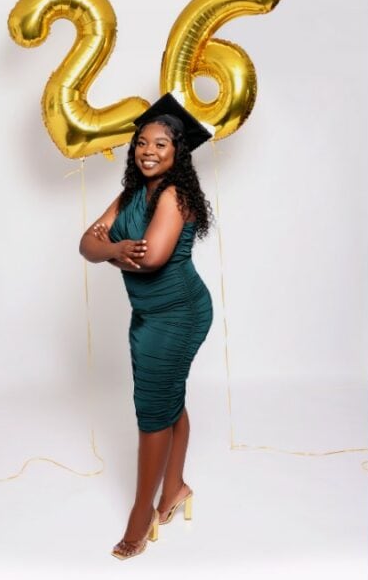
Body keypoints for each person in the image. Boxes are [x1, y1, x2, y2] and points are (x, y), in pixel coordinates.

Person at [79, 93, 214, 560]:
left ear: (178, 154)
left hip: (180, 312)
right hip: (149, 315)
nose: (148, 150)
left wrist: (112, 249)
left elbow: (152, 257)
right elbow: (85, 243)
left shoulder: (176, 195)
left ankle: (142, 516)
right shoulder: (131, 194)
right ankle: (174, 486)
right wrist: (116, 251)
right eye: (141, 142)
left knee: (152, 410)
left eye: (160, 143)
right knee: (167, 397)